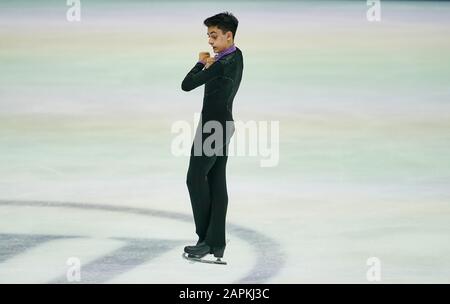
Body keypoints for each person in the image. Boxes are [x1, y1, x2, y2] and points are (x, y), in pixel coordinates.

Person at [181, 11, 244, 260]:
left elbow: (187, 84)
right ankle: (216, 242)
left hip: (212, 128)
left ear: (229, 36)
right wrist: (212, 62)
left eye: (215, 36)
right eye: (208, 35)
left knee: (195, 178)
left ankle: (206, 239)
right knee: (217, 183)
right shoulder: (236, 56)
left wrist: (200, 63)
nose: (210, 41)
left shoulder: (220, 65)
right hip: (224, 125)